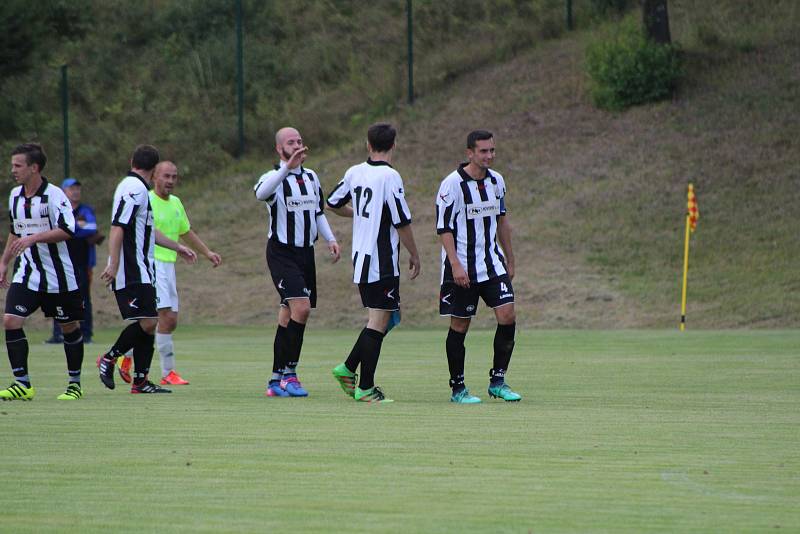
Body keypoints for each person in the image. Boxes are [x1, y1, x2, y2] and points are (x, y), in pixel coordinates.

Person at [327, 123, 420, 403]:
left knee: (388, 317)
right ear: (394, 145)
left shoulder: (354, 172)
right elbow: (401, 221)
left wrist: (357, 214)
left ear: (368, 145)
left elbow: (331, 202)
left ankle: (347, 368)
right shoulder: (390, 177)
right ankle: (365, 387)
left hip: (362, 259)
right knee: (379, 321)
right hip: (382, 261)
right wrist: (415, 253)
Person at [96, 145, 196, 394]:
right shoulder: (134, 189)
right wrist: (114, 263)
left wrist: (178, 247)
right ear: (153, 171)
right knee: (150, 320)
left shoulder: (138, 189)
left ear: (132, 161)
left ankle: (140, 381)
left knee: (150, 321)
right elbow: (118, 227)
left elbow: (148, 232)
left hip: (143, 268)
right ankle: (110, 357)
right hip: (132, 268)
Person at [116, 161, 222, 386]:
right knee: (159, 318)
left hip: (169, 266)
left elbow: (186, 231)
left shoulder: (176, 203)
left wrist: (207, 252)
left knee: (169, 321)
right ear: (154, 176)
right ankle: (165, 372)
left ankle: (127, 358)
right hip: (151, 264)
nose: (171, 181)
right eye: (166, 176)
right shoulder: (147, 199)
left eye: (174, 177)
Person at [435, 130, 521, 403]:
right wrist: (456, 265)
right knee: (460, 326)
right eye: (483, 151)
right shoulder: (452, 185)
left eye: (492, 150)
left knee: (507, 316)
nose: (489, 156)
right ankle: (457, 388)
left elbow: (502, 221)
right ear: (469, 153)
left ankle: (498, 381)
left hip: (492, 264)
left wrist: (510, 257)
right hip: (462, 268)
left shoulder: (497, 181)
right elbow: (444, 229)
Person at [254, 127, 340, 397]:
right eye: (291, 142)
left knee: (288, 314)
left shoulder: (312, 178)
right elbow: (260, 194)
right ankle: (290, 374)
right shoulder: (273, 178)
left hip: (305, 253)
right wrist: (285, 169)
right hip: (281, 252)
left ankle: (275, 380)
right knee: (301, 309)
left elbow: (317, 212)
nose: (298, 145)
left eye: (300, 141)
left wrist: (330, 238)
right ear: (280, 150)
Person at [0, 143, 85, 400]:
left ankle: (74, 384)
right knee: (10, 320)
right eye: (13, 165)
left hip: (59, 276)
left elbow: (69, 230)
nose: (13, 170)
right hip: (27, 273)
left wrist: (34, 238)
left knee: (69, 327)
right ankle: (23, 384)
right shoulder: (15, 195)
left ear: (34, 168)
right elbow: (15, 231)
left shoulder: (55, 195)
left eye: (18, 165)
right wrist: (4, 262)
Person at [45, 177, 103, 344]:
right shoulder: (57, 210)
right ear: (63, 192)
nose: (76, 191)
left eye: (78, 188)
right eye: (72, 188)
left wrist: (69, 228)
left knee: (83, 298)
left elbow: (92, 228)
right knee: (58, 297)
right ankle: (58, 334)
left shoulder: (86, 210)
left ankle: (86, 334)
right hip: (60, 262)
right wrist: (77, 226)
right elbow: (54, 229)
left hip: (81, 263)